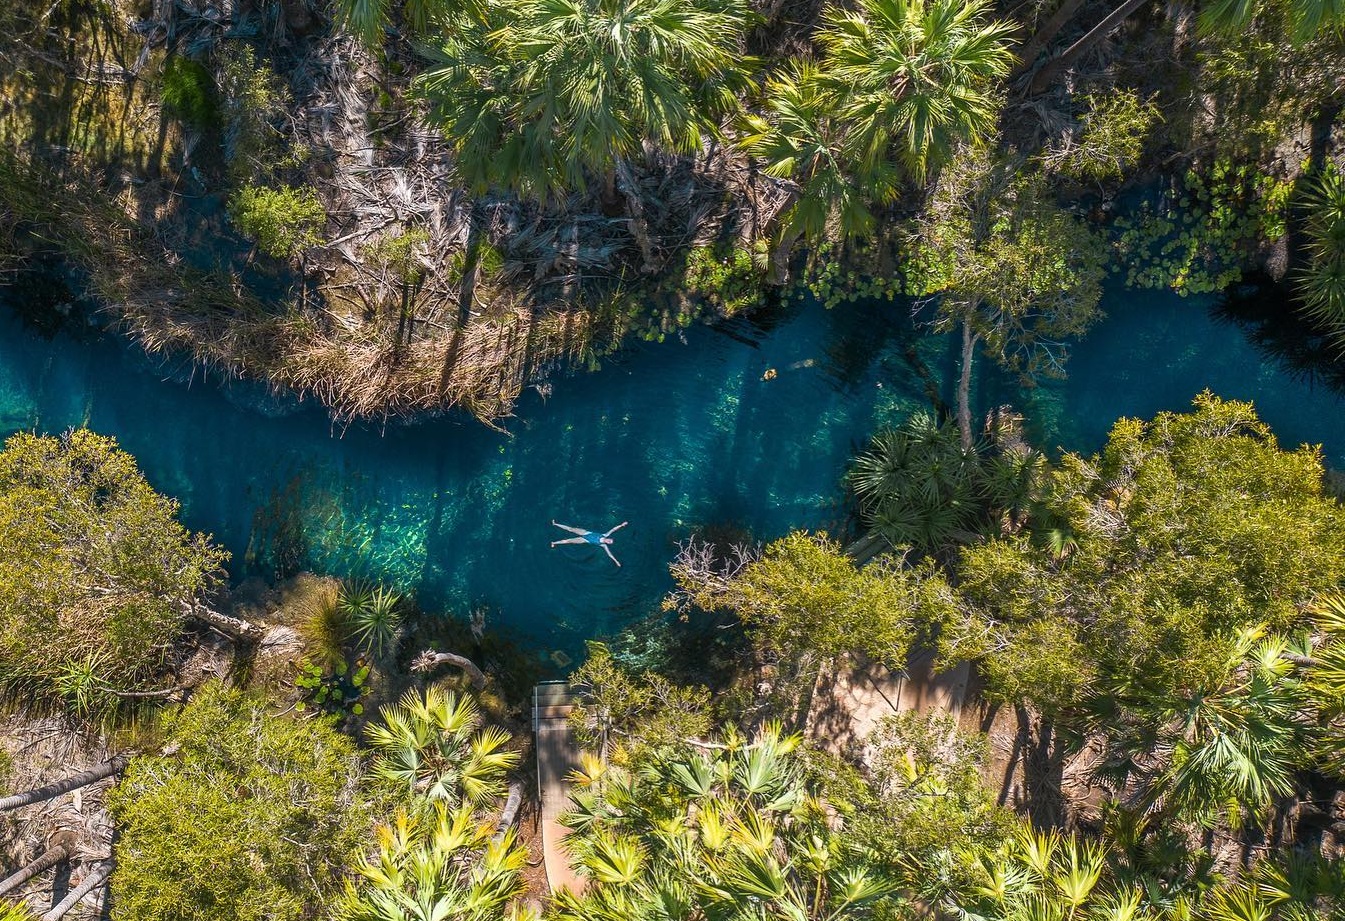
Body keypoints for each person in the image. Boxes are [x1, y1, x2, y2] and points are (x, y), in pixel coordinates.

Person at [551, 520, 628, 567]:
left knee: (568, 541)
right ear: (609, 538)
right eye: (610, 540)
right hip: (585, 533)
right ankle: (555, 524)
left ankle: (554, 543)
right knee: (570, 529)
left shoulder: (602, 545)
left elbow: (609, 554)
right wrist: (622, 525)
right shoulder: (605, 535)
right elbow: (613, 529)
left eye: (609, 543)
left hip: (583, 539)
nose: (608, 541)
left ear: (608, 544)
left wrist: (616, 561)